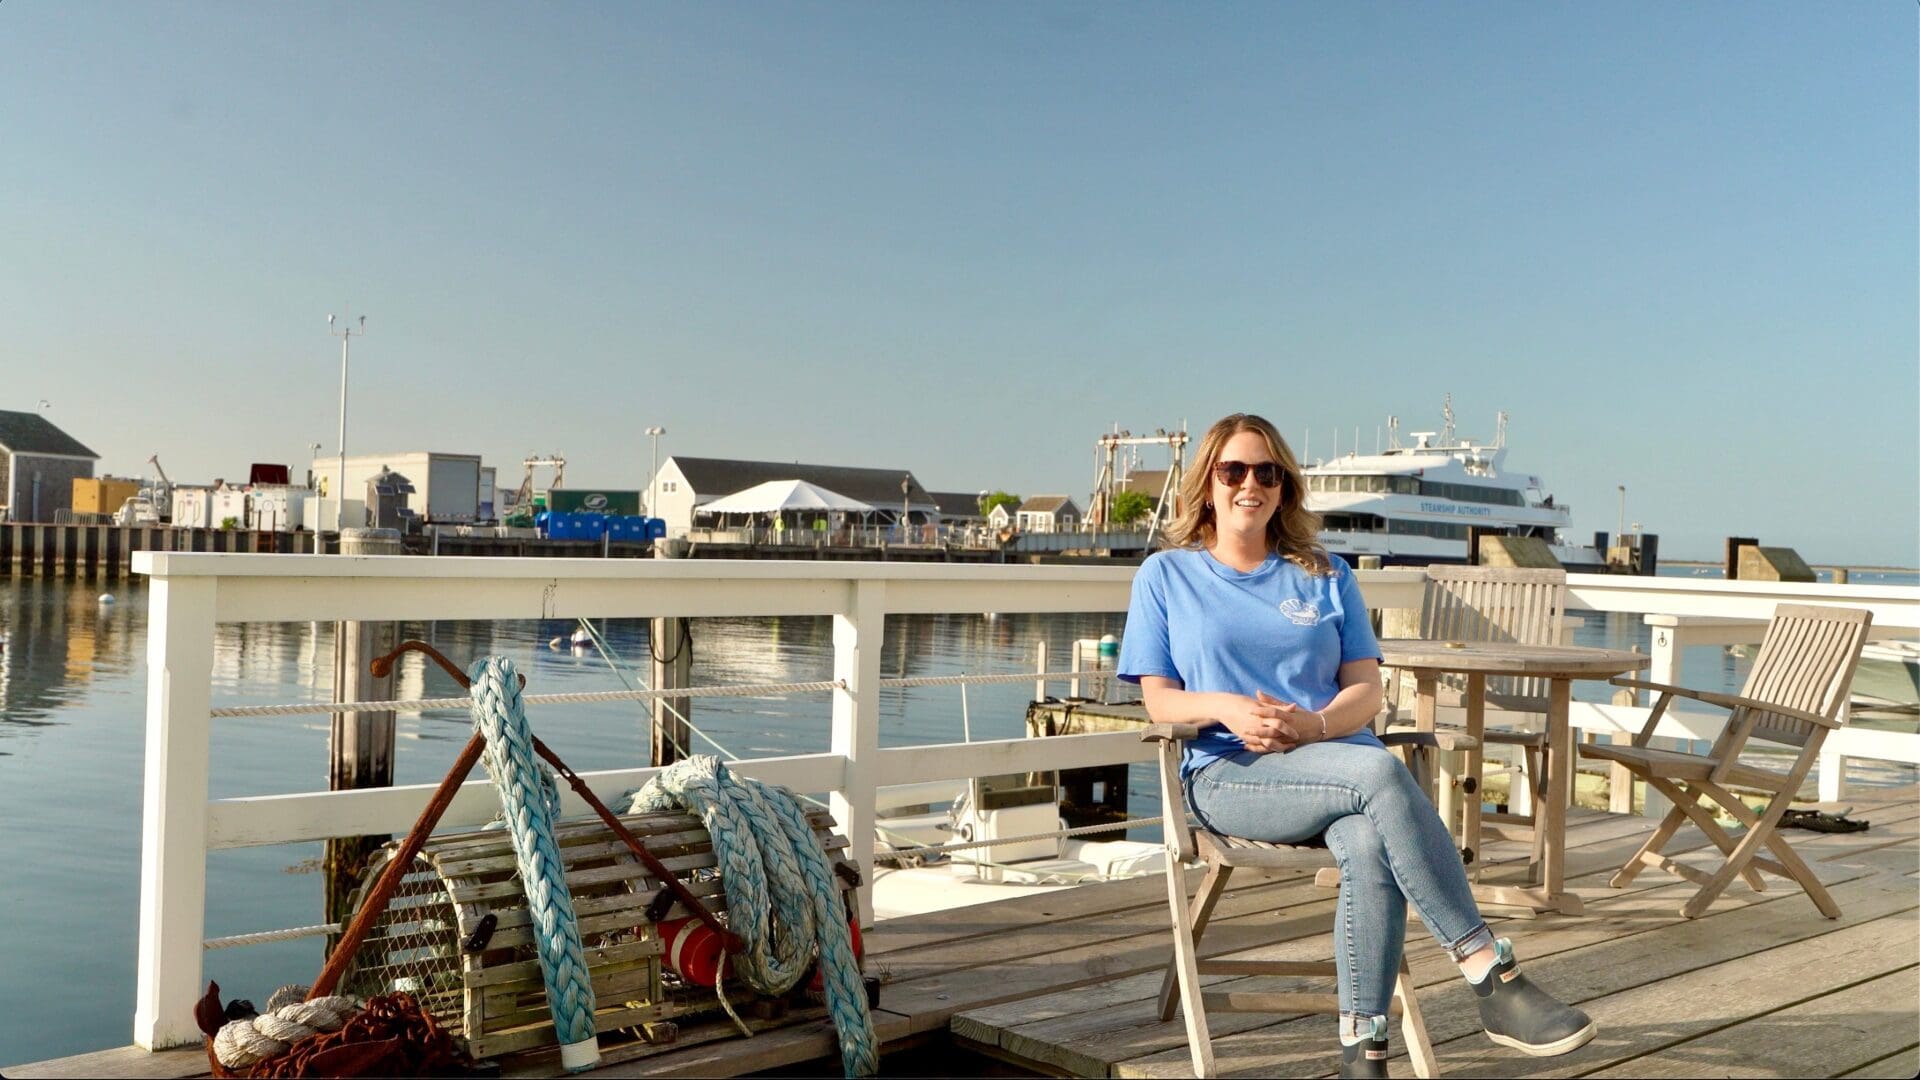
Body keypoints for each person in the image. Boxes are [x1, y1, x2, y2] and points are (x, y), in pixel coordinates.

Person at [1117, 413, 1595, 1079]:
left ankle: (1363, 1054)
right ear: (1208, 484)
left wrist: (1311, 726)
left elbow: (1365, 692)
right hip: (1230, 772)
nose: (1249, 484)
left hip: (1329, 760)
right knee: (1379, 774)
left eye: (1267, 472)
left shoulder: (1326, 573)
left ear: (1284, 487)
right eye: (1233, 471)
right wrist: (1232, 709)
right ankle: (1489, 973)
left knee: (1370, 836)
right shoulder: (1167, 576)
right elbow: (1160, 702)